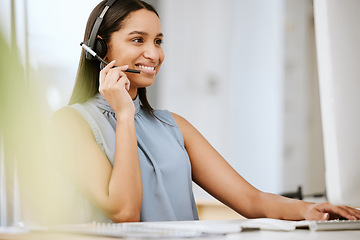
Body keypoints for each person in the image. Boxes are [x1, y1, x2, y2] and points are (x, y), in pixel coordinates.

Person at [49, 0, 360, 223]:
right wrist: (125, 115)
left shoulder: (173, 126)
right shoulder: (70, 125)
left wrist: (307, 210)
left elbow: (251, 200)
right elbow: (125, 212)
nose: (154, 53)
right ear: (101, 48)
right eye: (137, 40)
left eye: (158, 41)